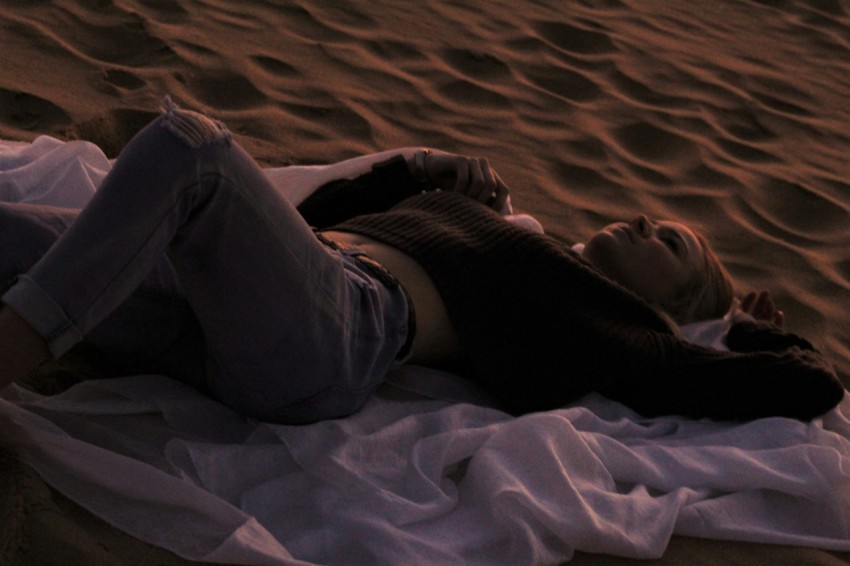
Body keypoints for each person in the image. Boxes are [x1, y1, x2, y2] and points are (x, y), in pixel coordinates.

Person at [0, 99, 843, 424]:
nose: (643, 218)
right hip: (245, 303)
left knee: (191, 143)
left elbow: (809, 387)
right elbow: (297, 223)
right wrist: (415, 174)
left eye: (670, 243)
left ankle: (15, 348)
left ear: (675, 302)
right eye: (654, 215)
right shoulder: (512, 232)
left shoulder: (611, 318)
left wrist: (743, 337)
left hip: (333, 339)